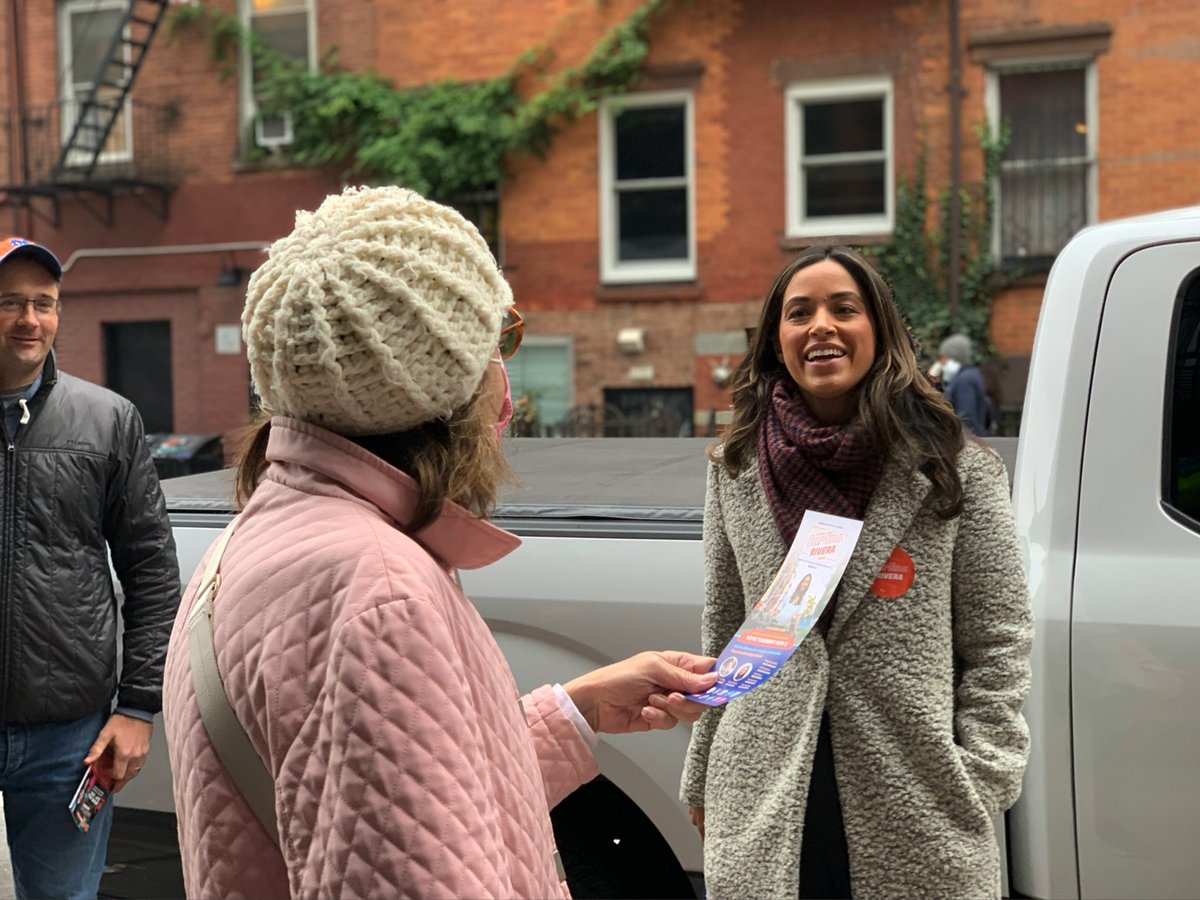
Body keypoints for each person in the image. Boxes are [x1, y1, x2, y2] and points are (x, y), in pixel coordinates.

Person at [161, 186, 717, 899]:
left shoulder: (265, 538)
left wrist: (575, 710)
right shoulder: (378, 590)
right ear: (442, 388)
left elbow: (401, 805)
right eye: (498, 338)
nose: (506, 384)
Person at [680, 245, 1033, 898]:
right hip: (767, 790)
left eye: (844, 308)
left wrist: (984, 777)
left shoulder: (955, 467)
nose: (820, 326)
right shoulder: (735, 468)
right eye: (798, 313)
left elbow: (999, 637)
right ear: (777, 341)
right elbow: (727, 628)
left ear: (880, 330)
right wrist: (706, 774)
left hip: (918, 799)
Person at [0, 237, 180, 898]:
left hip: (68, 739)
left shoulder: (107, 421)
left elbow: (153, 571)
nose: (29, 319)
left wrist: (137, 707)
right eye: (10, 303)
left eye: (43, 304)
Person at [938, 332, 995, 435]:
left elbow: (967, 416)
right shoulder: (968, 376)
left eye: (944, 358)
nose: (941, 363)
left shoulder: (965, 379)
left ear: (955, 357)